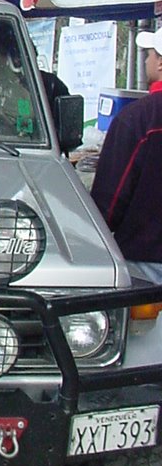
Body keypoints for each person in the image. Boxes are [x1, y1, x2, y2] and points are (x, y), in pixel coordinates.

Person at [91, 27, 162, 284]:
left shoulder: (138, 119)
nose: (146, 61)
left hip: (146, 260)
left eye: (150, 54)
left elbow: (109, 200)